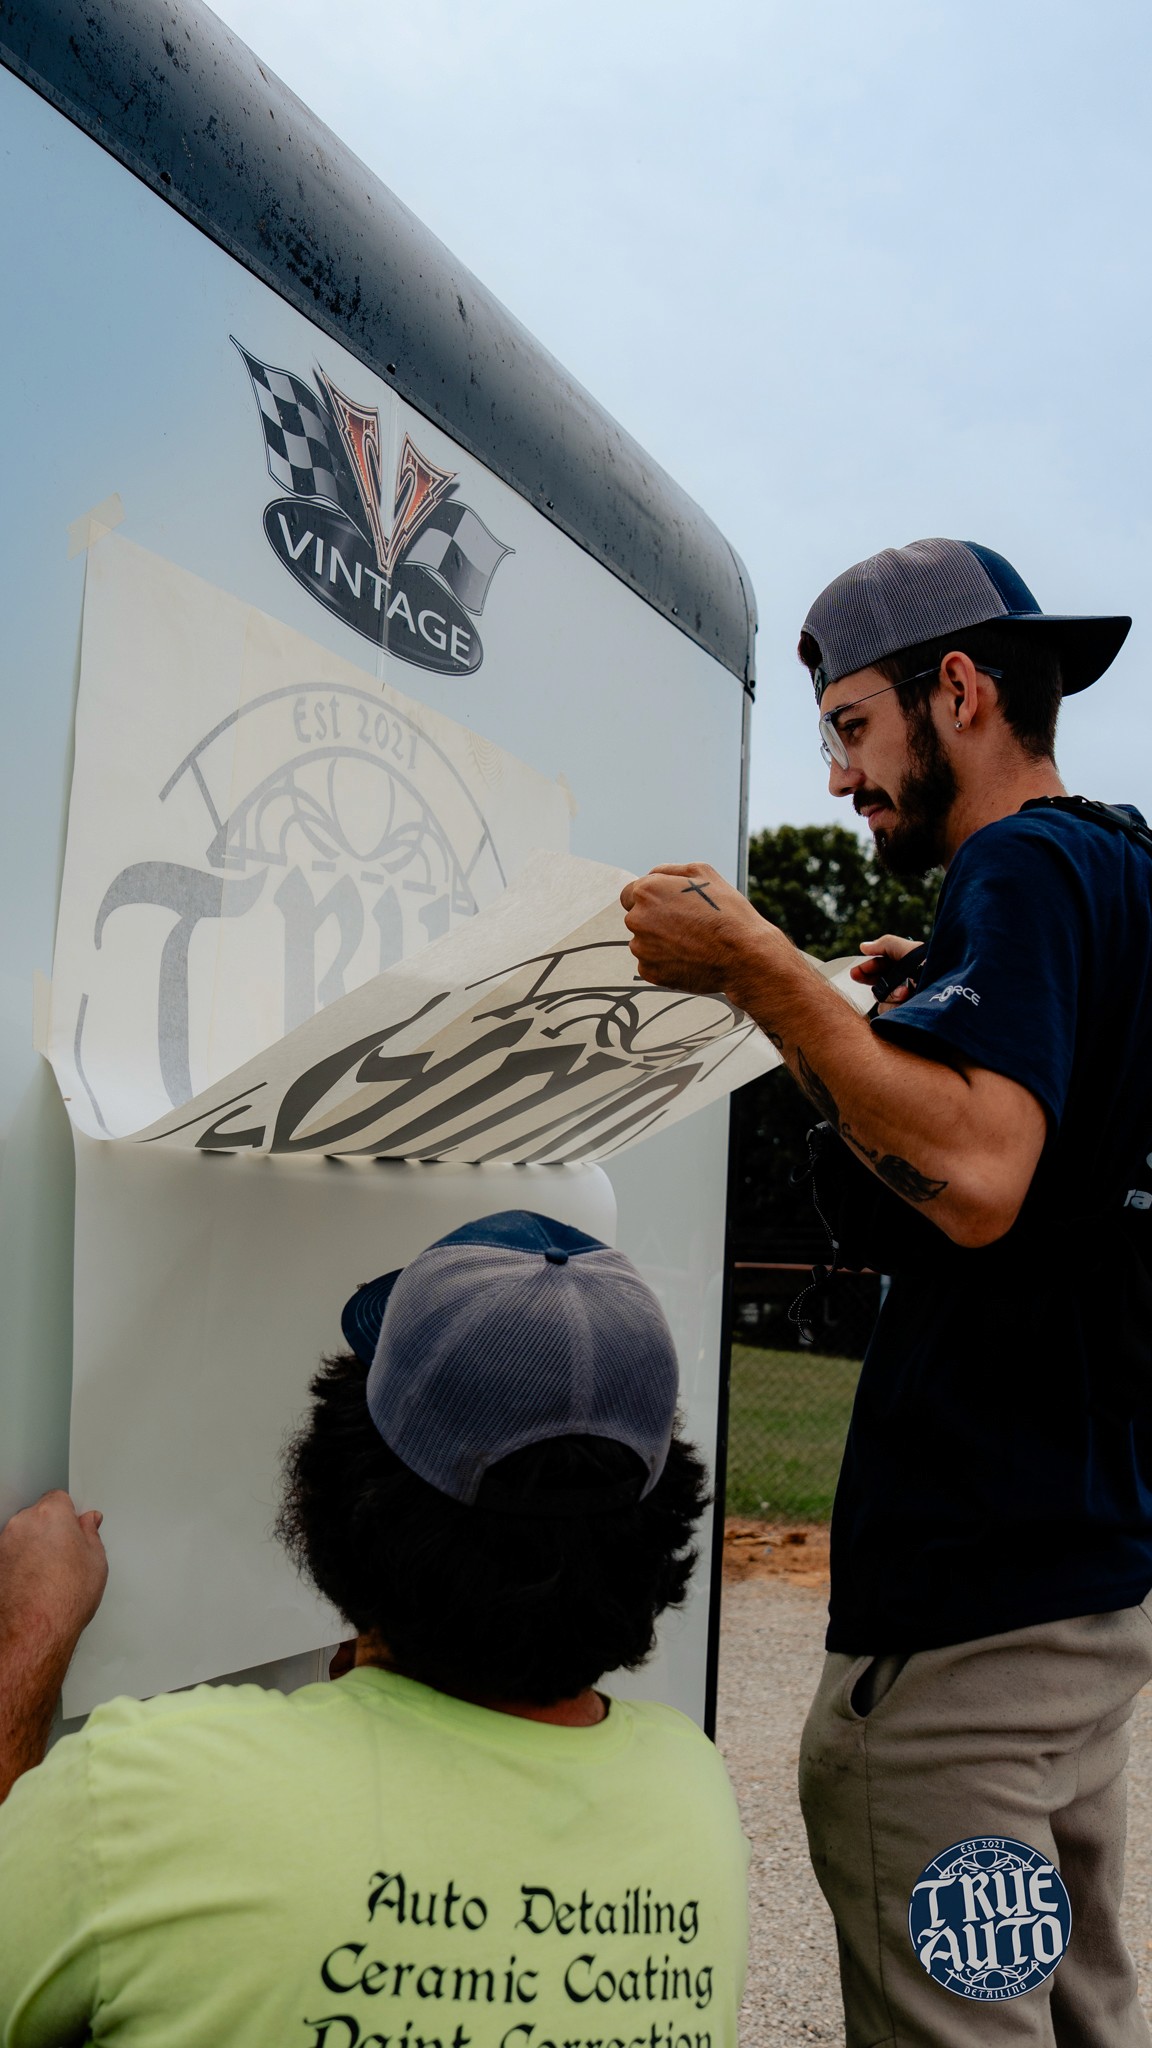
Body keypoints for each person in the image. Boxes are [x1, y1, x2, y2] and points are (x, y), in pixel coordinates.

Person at [620, 538, 1152, 2045]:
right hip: (1088, 1594)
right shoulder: (1124, 873)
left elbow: (976, 1176)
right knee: (1080, 2015)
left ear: (958, 691)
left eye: (853, 726)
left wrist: (764, 970)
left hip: (969, 1627)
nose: (843, 777)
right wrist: (927, 1004)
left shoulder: (1020, 866)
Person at [0, 1209, 749, 2048]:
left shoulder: (137, 1794)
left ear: (345, 1489)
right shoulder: (693, 1801)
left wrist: (29, 1635)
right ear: (659, 1527)